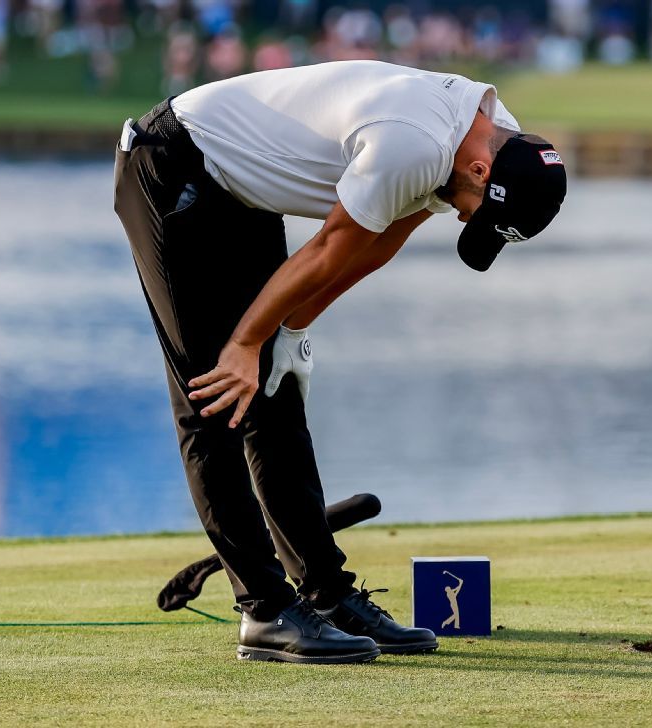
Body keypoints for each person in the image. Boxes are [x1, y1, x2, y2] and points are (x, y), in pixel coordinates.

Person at [112, 60, 567, 664]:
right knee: (214, 394)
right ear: (480, 170)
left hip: (241, 192)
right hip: (175, 165)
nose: (464, 218)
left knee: (273, 395)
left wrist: (292, 327)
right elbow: (330, 242)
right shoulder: (416, 142)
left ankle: (326, 596)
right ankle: (265, 612)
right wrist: (248, 342)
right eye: (474, 209)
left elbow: (377, 240)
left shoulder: (486, 135)